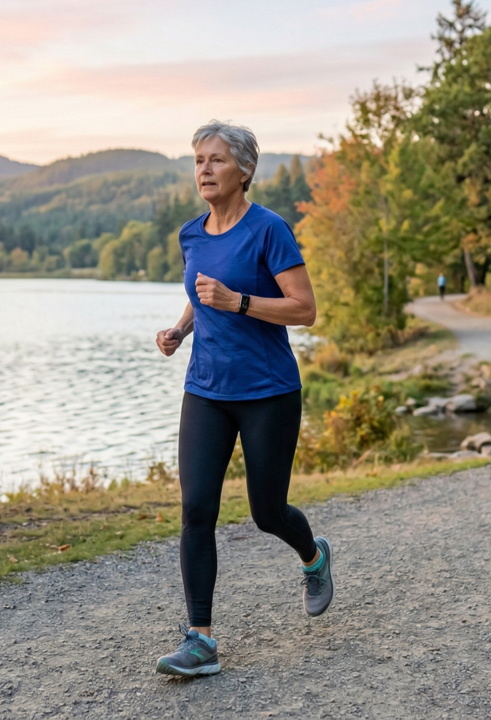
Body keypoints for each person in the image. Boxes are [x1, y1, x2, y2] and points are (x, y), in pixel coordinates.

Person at [153, 121, 334, 677]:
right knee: (196, 509)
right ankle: (200, 640)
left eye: (215, 161)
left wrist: (239, 303)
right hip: (205, 389)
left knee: (266, 511)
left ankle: (313, 555)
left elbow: (304, 309)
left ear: (245, 170)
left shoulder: (268, 229)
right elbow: (201, 293)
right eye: (198, 161)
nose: (204, 170)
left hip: (267, 392)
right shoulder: (192, 234)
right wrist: (182, 329)